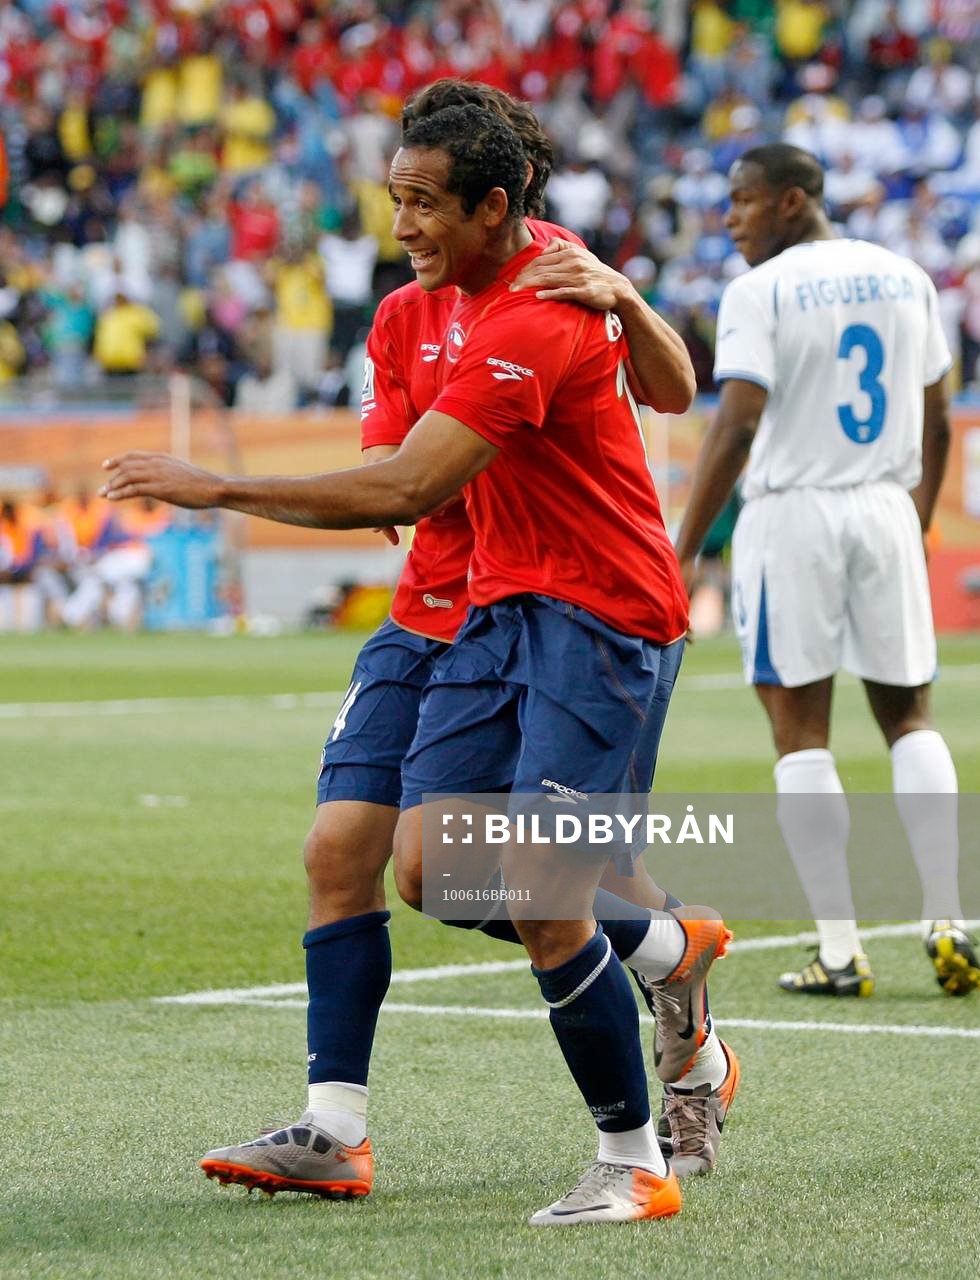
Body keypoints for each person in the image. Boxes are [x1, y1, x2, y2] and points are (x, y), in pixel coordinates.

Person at [103, 99, 738, 1223]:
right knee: (422, 870)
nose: (398, 222)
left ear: (495, 205)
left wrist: (217, 488)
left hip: (594, 612)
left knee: (545, 888)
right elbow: (398, 482)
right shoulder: (404, 318)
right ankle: (660, 943)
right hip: (474, 604)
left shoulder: (546, 298)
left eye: (421, 201)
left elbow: (411, 482)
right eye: (394, 198)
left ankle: (632, 1155)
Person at [674, 143, 980, 1000]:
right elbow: (942, 419)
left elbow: (734, 428)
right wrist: (911, 524)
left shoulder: (758, 291)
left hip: (792, 515)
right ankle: (948, 916)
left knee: (798, 732)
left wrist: (684, 546)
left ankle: (841, 952)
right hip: (885, 507)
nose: (728, 218)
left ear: (791, 200)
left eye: (740, 200)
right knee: (910, 718)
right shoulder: (904, 276)